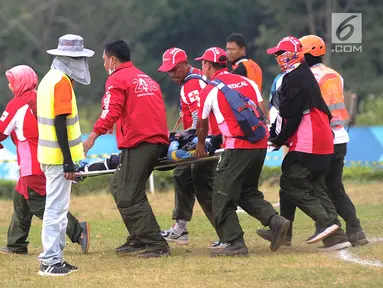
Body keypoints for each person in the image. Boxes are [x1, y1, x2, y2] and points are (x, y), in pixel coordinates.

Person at [195, 47, 290, 257]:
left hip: (237, 147)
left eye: (202, 63)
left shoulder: (209, 89)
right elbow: (262, 111)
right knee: (246, 191)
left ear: (208, 65)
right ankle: (276, 223)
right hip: (259, 144)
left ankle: (234, 242)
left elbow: (201, 124)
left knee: (221, 193)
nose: (202, 66)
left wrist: (200, 145)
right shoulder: (248, 82)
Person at [260, 36, 351, 249]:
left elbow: (289, 114)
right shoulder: (304, 74)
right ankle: (337, 237)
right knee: (317, 187)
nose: (277, 57)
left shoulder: (293, 78)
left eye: (280, 53)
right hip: (325, 140)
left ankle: (326, 222)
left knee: (290, 182)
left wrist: (276, 138)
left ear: (292, 54)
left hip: (310, 141)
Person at [82, 39, 170, 258]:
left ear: (112, 60)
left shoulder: (117, 79)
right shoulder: (146, 78)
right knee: (118, 187)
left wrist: (92, 137)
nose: (104, 65)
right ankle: (139, 237)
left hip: (141, 143)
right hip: (157, 141)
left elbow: (109, 111)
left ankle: (156, 244)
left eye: (104, 60)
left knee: (128, 194)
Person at [0, 65, 89, 257]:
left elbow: (1, 131)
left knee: (40, 203)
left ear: (19, 83)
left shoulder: (17, 104)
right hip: (49, 157)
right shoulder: (42, 97)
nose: (9, 85)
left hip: (31, 164)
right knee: (21, 199)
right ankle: (16, 245)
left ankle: (78, 232)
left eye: (11, 81)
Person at [299, 35, 368, 246]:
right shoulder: (335, 75)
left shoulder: (307, 76)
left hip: (321, 137)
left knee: (316, 186)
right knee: (335, 186)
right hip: (340, 136)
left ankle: (332, 231)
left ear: (307, 54)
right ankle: (355, 230)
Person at [37, 34, 93, 276]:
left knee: (58, 210)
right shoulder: (61, 82)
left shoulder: (49, 79)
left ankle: (56, 258)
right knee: (55, 210)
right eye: (78, 58)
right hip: (58, 158)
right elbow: (60, 122)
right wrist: (68, 160)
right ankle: (50, 260)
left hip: (51, 156)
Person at [157, 48, 220, 245]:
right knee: (181, 175)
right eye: (168, 71)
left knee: (203, 186)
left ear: (185, 64)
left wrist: (189, 138)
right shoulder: (195, 78)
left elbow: (198, 118)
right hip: (204, 138)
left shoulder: (191, 84)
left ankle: (227, 234)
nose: (172, 74)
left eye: (175, 69)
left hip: (203, 141)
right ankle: (180, 228)